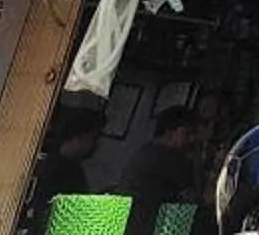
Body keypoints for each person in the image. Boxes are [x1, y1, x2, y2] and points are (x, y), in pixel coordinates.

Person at [118, 102, 214, 235]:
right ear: (169, 133)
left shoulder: (147, 150)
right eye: (187, 134)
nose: (192, 139)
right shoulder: (167, 157)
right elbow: (199, 199)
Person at [17, 97, 106, 235]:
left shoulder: (56, 165)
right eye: (93, 138)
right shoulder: (60, 171)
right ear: (79, 136)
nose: (96, 145)